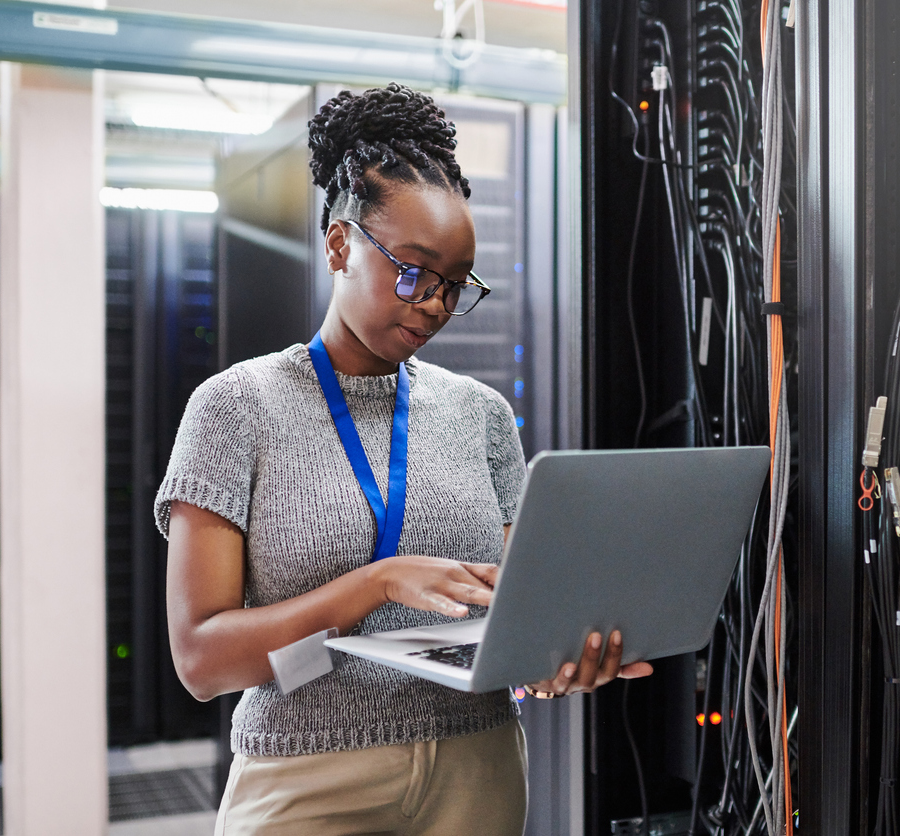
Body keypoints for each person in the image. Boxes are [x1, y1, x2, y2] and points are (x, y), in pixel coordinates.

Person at [157, 82, 652, 836]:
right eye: (413, 271)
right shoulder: (236, 408)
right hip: (305, 778)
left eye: (455, 287)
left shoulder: (480, 415)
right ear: (339, 243)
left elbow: (517, 617)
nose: (432, 305)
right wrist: (377, 582)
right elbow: (201, 660)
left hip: (476, 767)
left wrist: (557, 658)